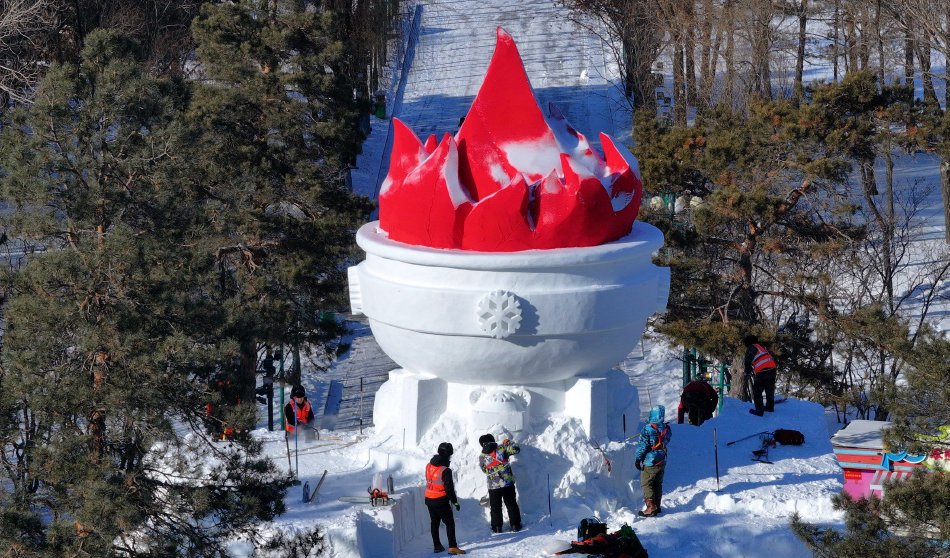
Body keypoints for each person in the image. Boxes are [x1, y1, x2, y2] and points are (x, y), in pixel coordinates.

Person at [425, 442, 466, 555]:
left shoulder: (429, 465)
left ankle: (437, 546)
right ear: (448, 455)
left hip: (429, 498)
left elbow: (430, 481)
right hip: (440, 500)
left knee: (434, 522)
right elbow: (449, 489)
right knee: (449, 523)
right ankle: (452, 547)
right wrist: (455, 502)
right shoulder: (445, 470)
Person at [478, 433, 522, 534]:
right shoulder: (502, 449)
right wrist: (509, 443)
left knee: (495, 507)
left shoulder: (482, 456)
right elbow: (516, 449)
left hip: (493, 486)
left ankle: (497, 527)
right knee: (511, 504)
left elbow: (485, 470)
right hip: (507, 483)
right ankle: (515, 525)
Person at [634, 405, 672, 517]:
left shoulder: (648, 428)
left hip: (651, 460)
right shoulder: (667, 428)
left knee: (646, 483)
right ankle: (657, 506)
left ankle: (651, 507)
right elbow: (667, 439)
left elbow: (643, 445)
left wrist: (638, 458)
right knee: (657, 483)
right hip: (662, 458)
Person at [744, 334, 777, 416]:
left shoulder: (752, 347)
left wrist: (747, 370)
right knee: (769, 389)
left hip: (763, 371)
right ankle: (770, 407)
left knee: (757, 391)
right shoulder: (760, 347)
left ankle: (759, 410)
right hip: (772, 369)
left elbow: (748, 360)